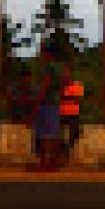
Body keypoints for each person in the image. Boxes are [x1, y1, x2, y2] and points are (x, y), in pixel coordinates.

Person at [32, 39, 64, 171]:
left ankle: (45, 162)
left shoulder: (49, 68)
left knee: (45, 134)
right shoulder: (59, 67)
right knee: (53, 132)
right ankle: (54, 161)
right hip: (55, 102)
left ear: (46, 53)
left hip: (47, 102)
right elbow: (63, 83)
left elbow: (45, 85)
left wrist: (37, 101)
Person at [59, 64, 84, 160]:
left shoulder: (76, 85)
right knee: (58, 132)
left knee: (75, 132)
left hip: (73, 113)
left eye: (67, 74)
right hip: (62, 113)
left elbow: (76, 98)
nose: (66, 76)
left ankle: (67, 148)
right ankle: (63, 149)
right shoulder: (59, 86)